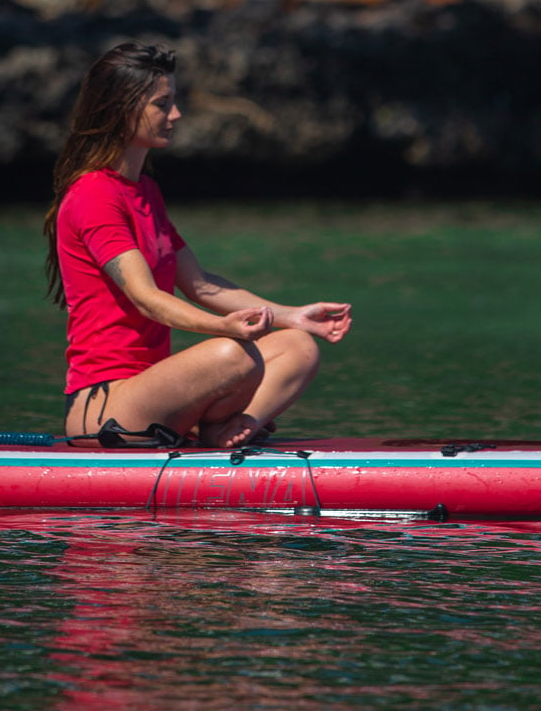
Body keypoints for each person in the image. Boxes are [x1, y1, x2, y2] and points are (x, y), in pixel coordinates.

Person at [43, 41, 352, 449]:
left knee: (297, 345)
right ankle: (215, 429)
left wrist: (292, 315)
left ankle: (233, 428)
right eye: (162, 104)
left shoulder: (145, 190)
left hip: (158, 397)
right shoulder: (93, 195)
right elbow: (146, 298)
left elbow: (202, 284)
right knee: (233, 353)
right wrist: (222, 327)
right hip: (105, 408)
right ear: (120, 109)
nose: (176, 115)